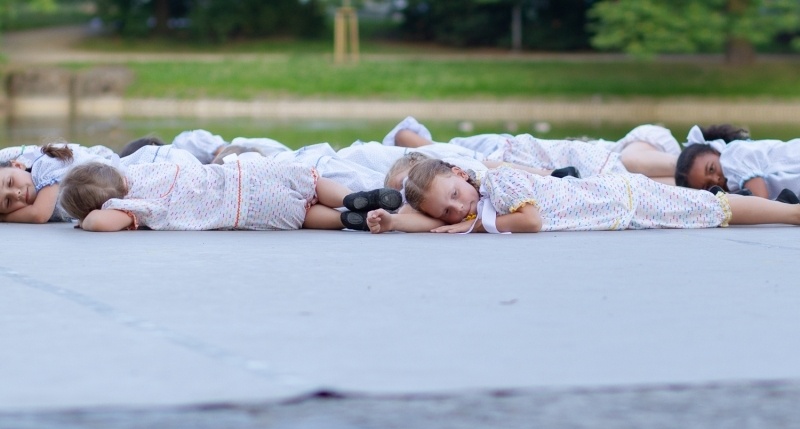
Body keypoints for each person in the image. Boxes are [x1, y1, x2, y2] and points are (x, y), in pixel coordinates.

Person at [365, 158, 800, 234]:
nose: (458, 208)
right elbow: (437, 222)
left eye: (456, 194)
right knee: (710, 209)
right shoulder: (471, 201)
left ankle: (790, 214)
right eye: (448, 210)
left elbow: (531, 221)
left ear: (461, 174)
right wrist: (395, 221)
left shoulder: (499, 183)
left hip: (623, 198)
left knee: (714, 208)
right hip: (616, 207)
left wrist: (473, 226)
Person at [58, 154, 402, 232]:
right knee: (311, 182)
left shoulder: (128, 207)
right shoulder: (140, 170)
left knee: (302, 215)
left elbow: (100, 223)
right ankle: (350, 198)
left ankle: (347, 219)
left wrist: (84, 221)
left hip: (248, 206)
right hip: (247, 171)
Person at [383, 116, 681, 184]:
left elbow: (403, 135)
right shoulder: (453, 156)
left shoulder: (451, 154)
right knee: (628, 174)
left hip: (512, 152)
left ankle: (693, 172)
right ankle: (694, 178)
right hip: (610, 157)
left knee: (626, 167)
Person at [675, 124, 800, 202]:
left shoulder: (731, 156)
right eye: (708, 186)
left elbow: (761, 200)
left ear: (715, 151)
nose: (716, 179)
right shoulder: (734, 185)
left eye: (711, 169)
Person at [0, 143, 117, 223]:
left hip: (115, 178)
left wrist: (4, 218)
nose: (16, 194)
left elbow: (39, 215)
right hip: (108, 201)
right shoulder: (32, 207)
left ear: (18, 165)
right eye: (7, 201)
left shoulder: (43, 169)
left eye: (10, 182)